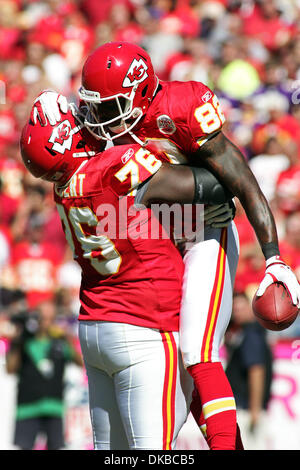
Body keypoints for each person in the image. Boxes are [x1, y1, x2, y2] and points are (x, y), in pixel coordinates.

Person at [31, 41, 300, 450]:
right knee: (181, 368)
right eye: (94, 106)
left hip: (204, 231)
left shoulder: (180, 107)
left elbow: (239, 178)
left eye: (109, 105)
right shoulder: (105, 146)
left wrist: (272, 256)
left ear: (138, 93)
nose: (98, 117)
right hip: (163, 240)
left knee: (197, 350)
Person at [20, 105, 234, 450]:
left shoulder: (63, 188)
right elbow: (212, 185)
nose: (87, 122)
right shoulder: (112, 166)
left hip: (95, 328)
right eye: (77, 121)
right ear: (67, 140)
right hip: (145, 327)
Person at [6, 298, 83, 450]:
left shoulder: (60, 342)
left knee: (55, 446)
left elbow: (79, 363)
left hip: (54, 406)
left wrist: (67, 338)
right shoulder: (25, 341)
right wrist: (18, 340)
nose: (46, 322)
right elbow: (10, 369)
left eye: (50, 318)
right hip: (27, 407)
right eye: (42, 317)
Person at [225, 291, 273, 450]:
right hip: (243, 408)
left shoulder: (251, 333)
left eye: (241, 307)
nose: (237, 312)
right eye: (235, 308)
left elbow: (256, 371)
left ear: (250, 307)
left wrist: (254, 410)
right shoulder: (242, 331)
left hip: (246, 410)